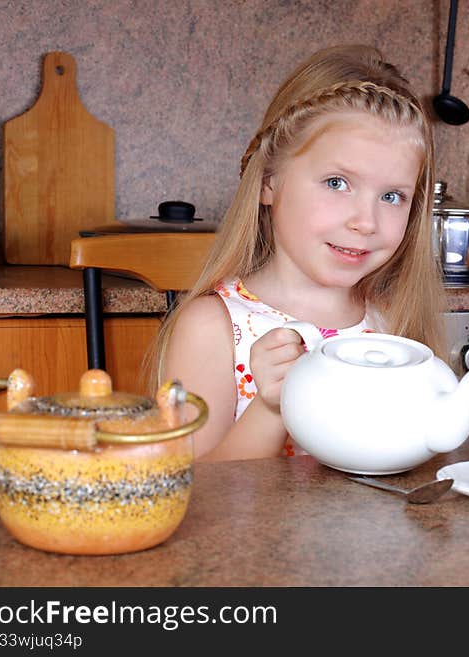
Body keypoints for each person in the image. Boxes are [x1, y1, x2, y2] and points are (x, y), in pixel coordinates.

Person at [150, 45, 447, 461]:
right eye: (336, 183)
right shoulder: (212, 328)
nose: (366, 221)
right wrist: (272, 408)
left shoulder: (392, 325)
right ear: (270, 181)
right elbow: (195, 497)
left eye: (393, 195)